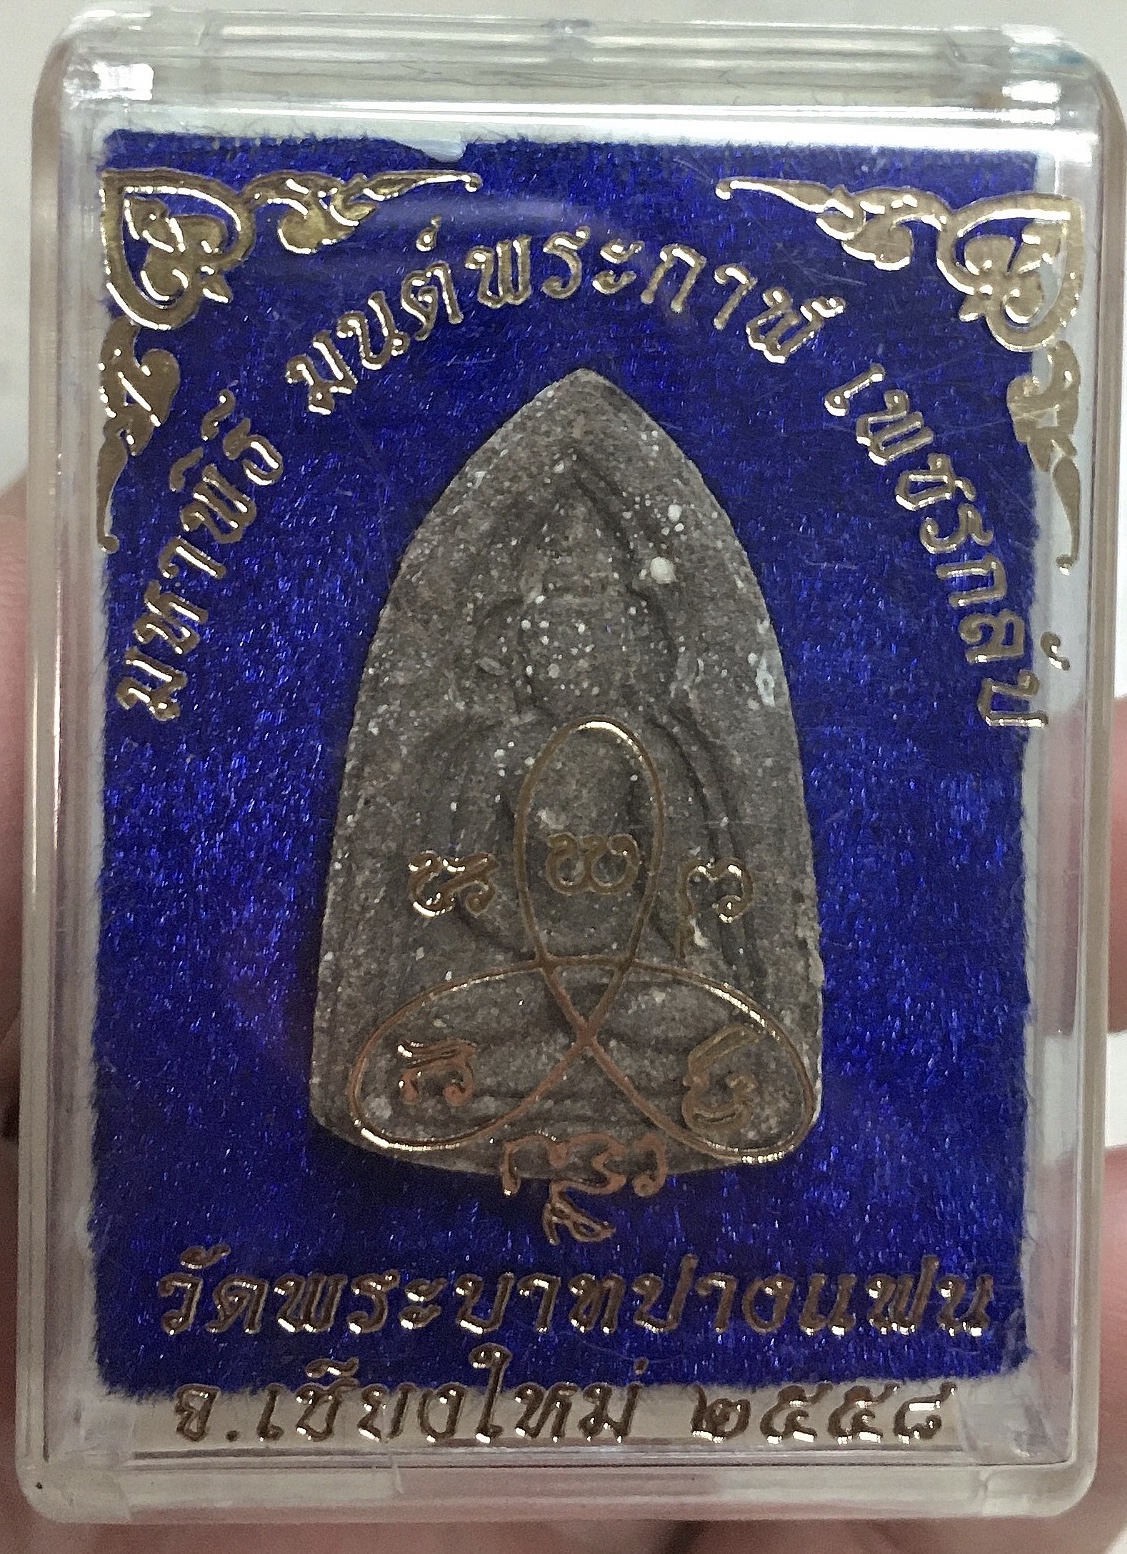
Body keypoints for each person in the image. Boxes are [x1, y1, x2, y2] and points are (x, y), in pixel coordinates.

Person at [0, 474, 1123, 1552]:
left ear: (634, 642)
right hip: (509, 1008)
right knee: (422, 1052)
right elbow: (438, 898)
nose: (572, 650)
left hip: (640, 1010)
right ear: (517, 645)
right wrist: (507, 926)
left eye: (596, 629)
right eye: (552, 632)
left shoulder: (664, 753)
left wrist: (639, 949)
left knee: (705, 1040)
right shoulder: (483, 753)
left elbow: (703, 910)